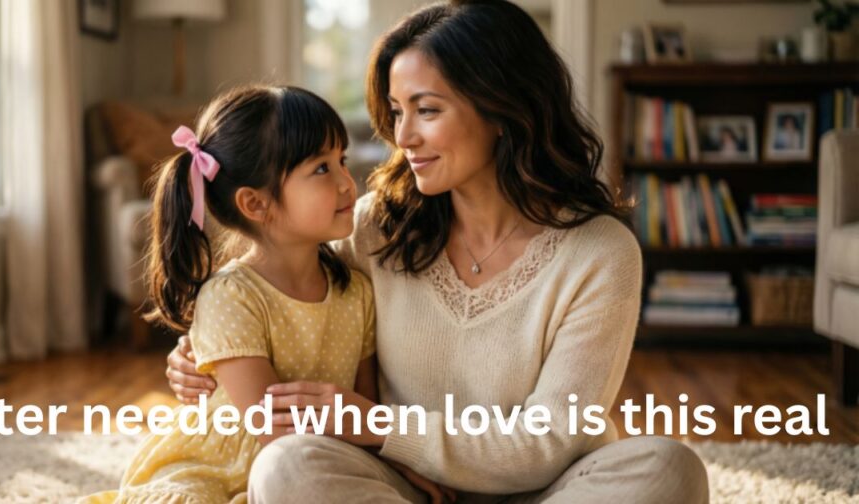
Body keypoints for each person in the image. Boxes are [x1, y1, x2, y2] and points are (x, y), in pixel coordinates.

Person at [167, 1, 710, 502]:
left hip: (545, 491)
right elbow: (276, 296)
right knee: (285, 464)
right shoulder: (370, 229)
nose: (404, 136)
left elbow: (551, 442)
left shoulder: (599, 253)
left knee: (668, 468)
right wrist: (201, 357)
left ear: (503, 108)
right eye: (397, 111)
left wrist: (379, 427)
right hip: (410, 487)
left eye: (426, 110)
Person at [82, 85, 377, 503]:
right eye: (322, 168)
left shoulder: (356, 291)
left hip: (311, 462)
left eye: (341, 160)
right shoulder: (230, 296)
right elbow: (273, 431)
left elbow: (364, 412)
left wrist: (397, 462)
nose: (349, 183)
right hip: (219, 470)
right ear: (255, 204)